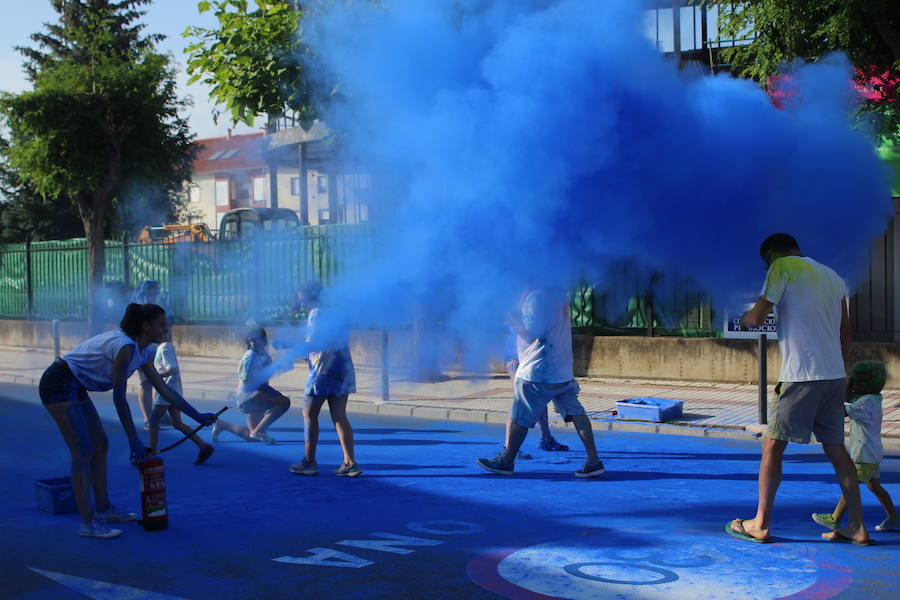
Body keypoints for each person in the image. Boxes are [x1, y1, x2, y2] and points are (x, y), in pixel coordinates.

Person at [726, 233, 872, 545]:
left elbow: (756, 317)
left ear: (770, 257)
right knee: (836, 449)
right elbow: (846, 331)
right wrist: (843, 375)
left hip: (801, 375)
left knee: (772, 447)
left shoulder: (781, 269)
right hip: (833, 376)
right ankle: (858, 526)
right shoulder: (834, 276)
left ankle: (760, 524)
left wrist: (746, 316)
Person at [38, 303, 217, 538]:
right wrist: (134, 441)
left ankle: (103, 509)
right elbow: (119, 398)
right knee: (82, 451)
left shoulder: (144, 352)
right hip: (58, 383)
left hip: (76, 385)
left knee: (100, 445)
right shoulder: (125, 348)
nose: (166, 329)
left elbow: (164, 389)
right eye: (161, 324)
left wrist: (198, 417)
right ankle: (87, 523)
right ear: (146, 326)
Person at [477, 287, 605, 478]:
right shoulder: (558, 295)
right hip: (561, 369)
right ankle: (593, 460)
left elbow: (530, 334)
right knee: (576, 412)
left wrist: (513, 318)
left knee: (520, 417)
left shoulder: (536, 298)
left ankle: (507, 460)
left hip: (536, 370)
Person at [812, 361, 899, 533]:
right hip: (871, 453)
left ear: (861, 385)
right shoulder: (874, 398)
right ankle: (894, 517)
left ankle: (835, 518)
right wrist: (850, 388)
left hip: (863, 454)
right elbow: (849, 402)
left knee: (850, 483)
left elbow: (843, 409)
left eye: (856, 383)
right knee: (874, 486)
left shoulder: (865, 403)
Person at [289, 281, 361, 477]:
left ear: (311, 298)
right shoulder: (335, 312)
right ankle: (350, 463)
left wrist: (288, 345)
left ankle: (309, 462)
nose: (302, 305)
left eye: (303, 301)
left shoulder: (316, 314)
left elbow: (314, 344)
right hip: (343, 369)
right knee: (339, 416)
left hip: (323, 371)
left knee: (309, 414)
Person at [211, 325, 290, 444]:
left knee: (249, 435)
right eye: (251, 339)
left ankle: (221, 425)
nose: (253, 342)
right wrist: (271, 392)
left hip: (257, 396)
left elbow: (265, 376)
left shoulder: (264, 355)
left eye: (256, 339)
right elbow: (248, 381)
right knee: (284, 402)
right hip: (249, 397)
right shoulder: (250, 356)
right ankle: (259, 431)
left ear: (263, 340)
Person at [147, 330, 215, 465]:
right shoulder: (163, 347)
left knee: (154, 422)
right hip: (172, 390)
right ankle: (203, 446)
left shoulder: (165, 347)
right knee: (177, 423)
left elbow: (172, 369)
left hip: (166, 390)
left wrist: (156, 377)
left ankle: (151, 453)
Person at [502, 327, 569, 453]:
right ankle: (508, 446)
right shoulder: (518, 309)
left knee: (538, 395)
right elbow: (520, 327)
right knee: (520, 398)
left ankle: (546, 438)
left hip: (530, 352)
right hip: (516, 353)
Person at [132, 280, 167, 429]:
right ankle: (148, 419)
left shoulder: (160, 305)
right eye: (152, 292)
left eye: (156, 291)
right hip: (143, 348)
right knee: (146, 383)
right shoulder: (138, 308)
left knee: (159, 381)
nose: (155, 294)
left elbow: (165, 325)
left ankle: (158, 415)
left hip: (158, 348)